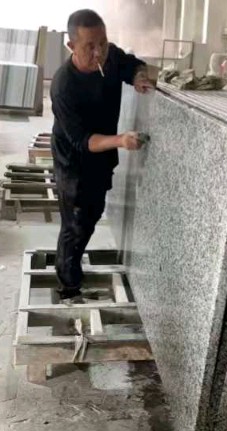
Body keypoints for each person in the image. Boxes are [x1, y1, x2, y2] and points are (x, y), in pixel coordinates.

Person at [51, 9, 152, 301]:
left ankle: (73, 265)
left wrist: (138, 77)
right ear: (71, 46)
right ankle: (68, 286)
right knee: (74, 224)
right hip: (74, 161)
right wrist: (121, 140)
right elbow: (82, 141)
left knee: (92, 212)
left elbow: (131, 65)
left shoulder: (110, 57)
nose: (99, 53)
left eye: (103, 43)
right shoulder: (63, 86)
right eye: (90, 47)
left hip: (102, 155)